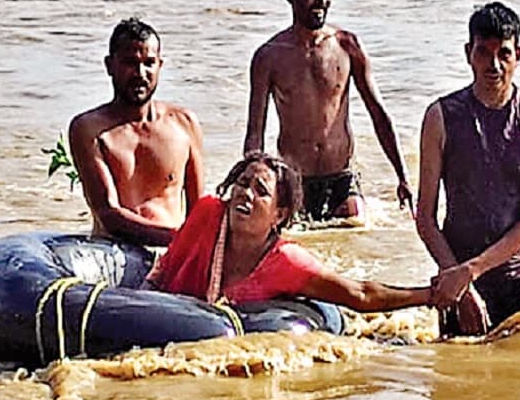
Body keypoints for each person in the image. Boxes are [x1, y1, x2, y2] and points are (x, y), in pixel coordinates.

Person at [415, 2, 520, 336]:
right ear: (469, 53)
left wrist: (472, 270)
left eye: (504, 54)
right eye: (483, 52)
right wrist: (460, 282)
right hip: (457, 282)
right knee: (455, 382)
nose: (493, 65)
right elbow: (425, 217)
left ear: (518, 55)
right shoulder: (441, 117)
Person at [147, 152, 436, 312]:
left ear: (279, 214)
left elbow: (359, 294)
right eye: (242, 183)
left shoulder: (285, 261)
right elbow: (164, 274)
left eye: (260, 191)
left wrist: (428, 295)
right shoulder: (208, 215)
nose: (245, 194)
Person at [244, 0, 413, 223]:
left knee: (355, 229)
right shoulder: (269, 57)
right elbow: (255, 133)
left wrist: (403, 177)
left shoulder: (347, 46)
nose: (321, 0)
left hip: (342, 178)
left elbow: (379, 115)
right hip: (295, 179)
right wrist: (252, 184)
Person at [69, 18, 205, 247]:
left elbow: (199, 211)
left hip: (171, 254)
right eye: (130, 63)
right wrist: (180, 240)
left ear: (160, 66)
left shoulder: (183, 124)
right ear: (110, 66)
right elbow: (109, 215)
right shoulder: (90, 129)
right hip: (113, 253)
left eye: (149, 63)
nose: (140, 73)